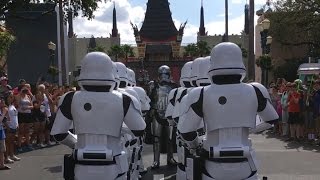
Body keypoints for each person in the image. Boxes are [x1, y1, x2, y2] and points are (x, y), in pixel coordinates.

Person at [177, 42, 278, 180]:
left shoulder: (200, 93)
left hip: (212, 165)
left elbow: (186, 131)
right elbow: (271, 119)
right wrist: (250, 130)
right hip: (246, 164)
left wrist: (196, 145)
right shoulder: (255, 90)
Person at [51, 52, 146, 180]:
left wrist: (76, 144)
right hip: (114, 164)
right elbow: (139, 129)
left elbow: (58, 133)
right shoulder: (124, 99)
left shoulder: (70, 98)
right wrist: (119, 128)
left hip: (81, 165)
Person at [149, 65, 178, 169]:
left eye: (166, 74)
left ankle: (170, 158)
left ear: (169, 74)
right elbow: (150, 99)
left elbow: (176, 101)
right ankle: (156, 161)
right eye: (162, 74)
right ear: (158, 74)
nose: (164, 76)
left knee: (170, 139)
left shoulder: (174, 86)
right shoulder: (153, 85)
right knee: (156, 139)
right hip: (157, 114)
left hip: (170, 115)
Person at [5, 92, 20, 162]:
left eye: (12, 97)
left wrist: (17, 125)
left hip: (14, 126)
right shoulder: (5, 106)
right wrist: (7, 126)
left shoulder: (12, 106)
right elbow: (4, 118)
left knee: (12, 142)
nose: (12, 98)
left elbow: (15, 116)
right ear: (6, 98)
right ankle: (6, 157)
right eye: (10, 97)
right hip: (9, 127)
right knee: (7, 143)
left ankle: (12, 155)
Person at [0, 98, 9, 170]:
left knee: (2, 150)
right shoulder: (2, 111)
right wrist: (4, 113)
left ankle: (2, 165)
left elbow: (7, 120)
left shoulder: (2, 110)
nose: (3, 103)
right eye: (1, 102)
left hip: (1, 130)